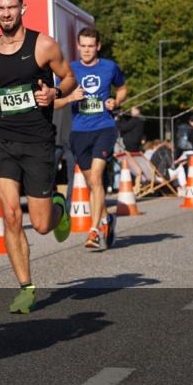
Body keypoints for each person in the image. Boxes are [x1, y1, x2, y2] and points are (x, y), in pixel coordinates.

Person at [0, 0, 75, 314]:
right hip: (1, 139)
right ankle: (26, 287)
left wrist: (54, 94)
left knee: (40, 224)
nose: (6, 13)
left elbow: (69, 78)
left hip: (38, 140)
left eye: (12, 7)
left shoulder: (43, 45)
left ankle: (58, 208)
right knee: (11, 215)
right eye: (1, 8)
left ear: (21, 9)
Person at [59, 27, 126, 251]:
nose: (87, 50)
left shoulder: (109, 67)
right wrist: (70, 97)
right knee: (92, 183)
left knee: (96, 178)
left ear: (98, 46)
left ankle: (94, 230)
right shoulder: (70, 70)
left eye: (91, 46)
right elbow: (55, 98)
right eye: (83, 46)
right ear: (78, 46)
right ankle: (108, 219)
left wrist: (116, 101)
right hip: (79, 132)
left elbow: (123, 88)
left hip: (104, 128)